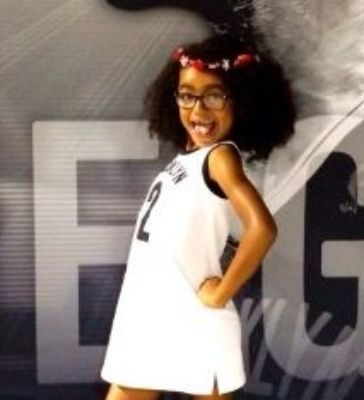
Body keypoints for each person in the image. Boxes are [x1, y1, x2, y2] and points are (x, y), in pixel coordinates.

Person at [101, 33, 296, 400]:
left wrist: (221, 293)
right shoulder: (187, 160)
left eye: (214, 95)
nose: (199, 109)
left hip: (194, 317)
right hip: (148, 316)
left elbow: (262, 229)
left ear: (241, 100)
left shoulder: (220, 157)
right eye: (187, 95)